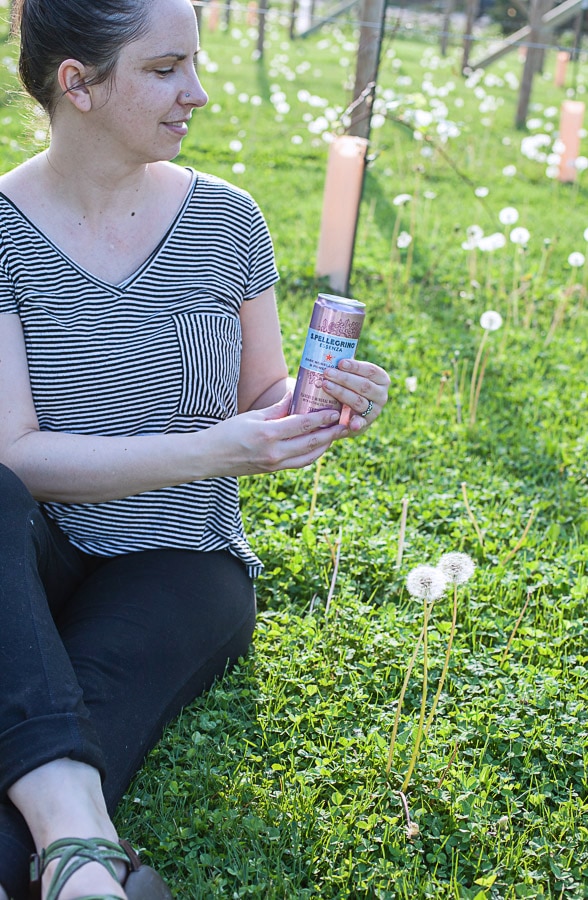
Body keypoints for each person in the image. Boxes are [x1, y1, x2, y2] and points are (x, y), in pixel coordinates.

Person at [0, 0, 391, 897]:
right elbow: (12, 458)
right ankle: (92, 861)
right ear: (79, 83)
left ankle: (74, 866)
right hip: (40, 552)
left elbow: (264, 393)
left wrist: (316, 406)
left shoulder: (226, 220)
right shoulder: (1, 229)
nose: (199, 93)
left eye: (199, 64)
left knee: (70, 726)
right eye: (167, 68)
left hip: (183, 559)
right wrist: (219, 450)